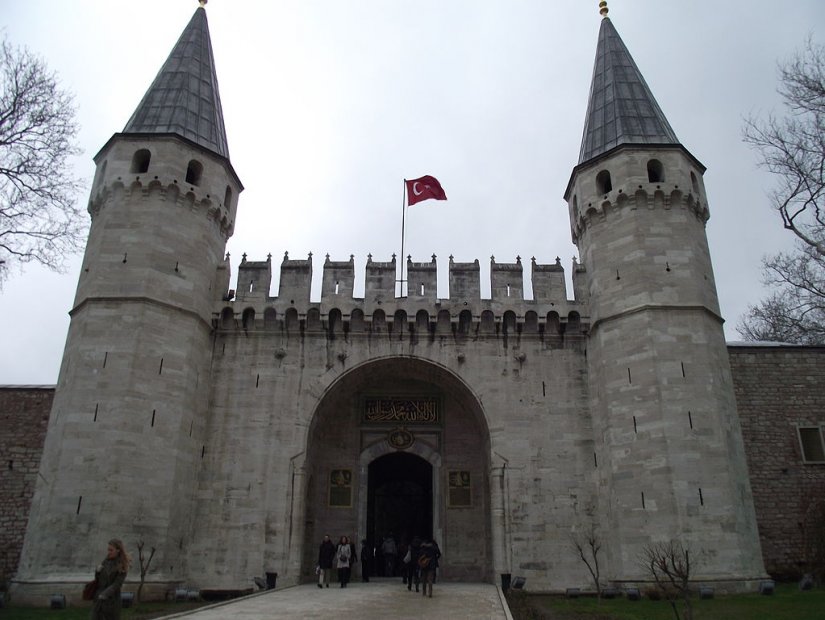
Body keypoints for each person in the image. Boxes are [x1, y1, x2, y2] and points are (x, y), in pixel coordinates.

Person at [91, 538, 130, 620]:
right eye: (108, 550)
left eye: (111, 550)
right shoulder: (105, 561)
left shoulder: (122, 565)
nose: (108, 552)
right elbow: (98, 580)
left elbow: (117, 584)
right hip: (99, 599)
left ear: (118, 550)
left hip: (112, 600)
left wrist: (105, 594)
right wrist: (97, 572)